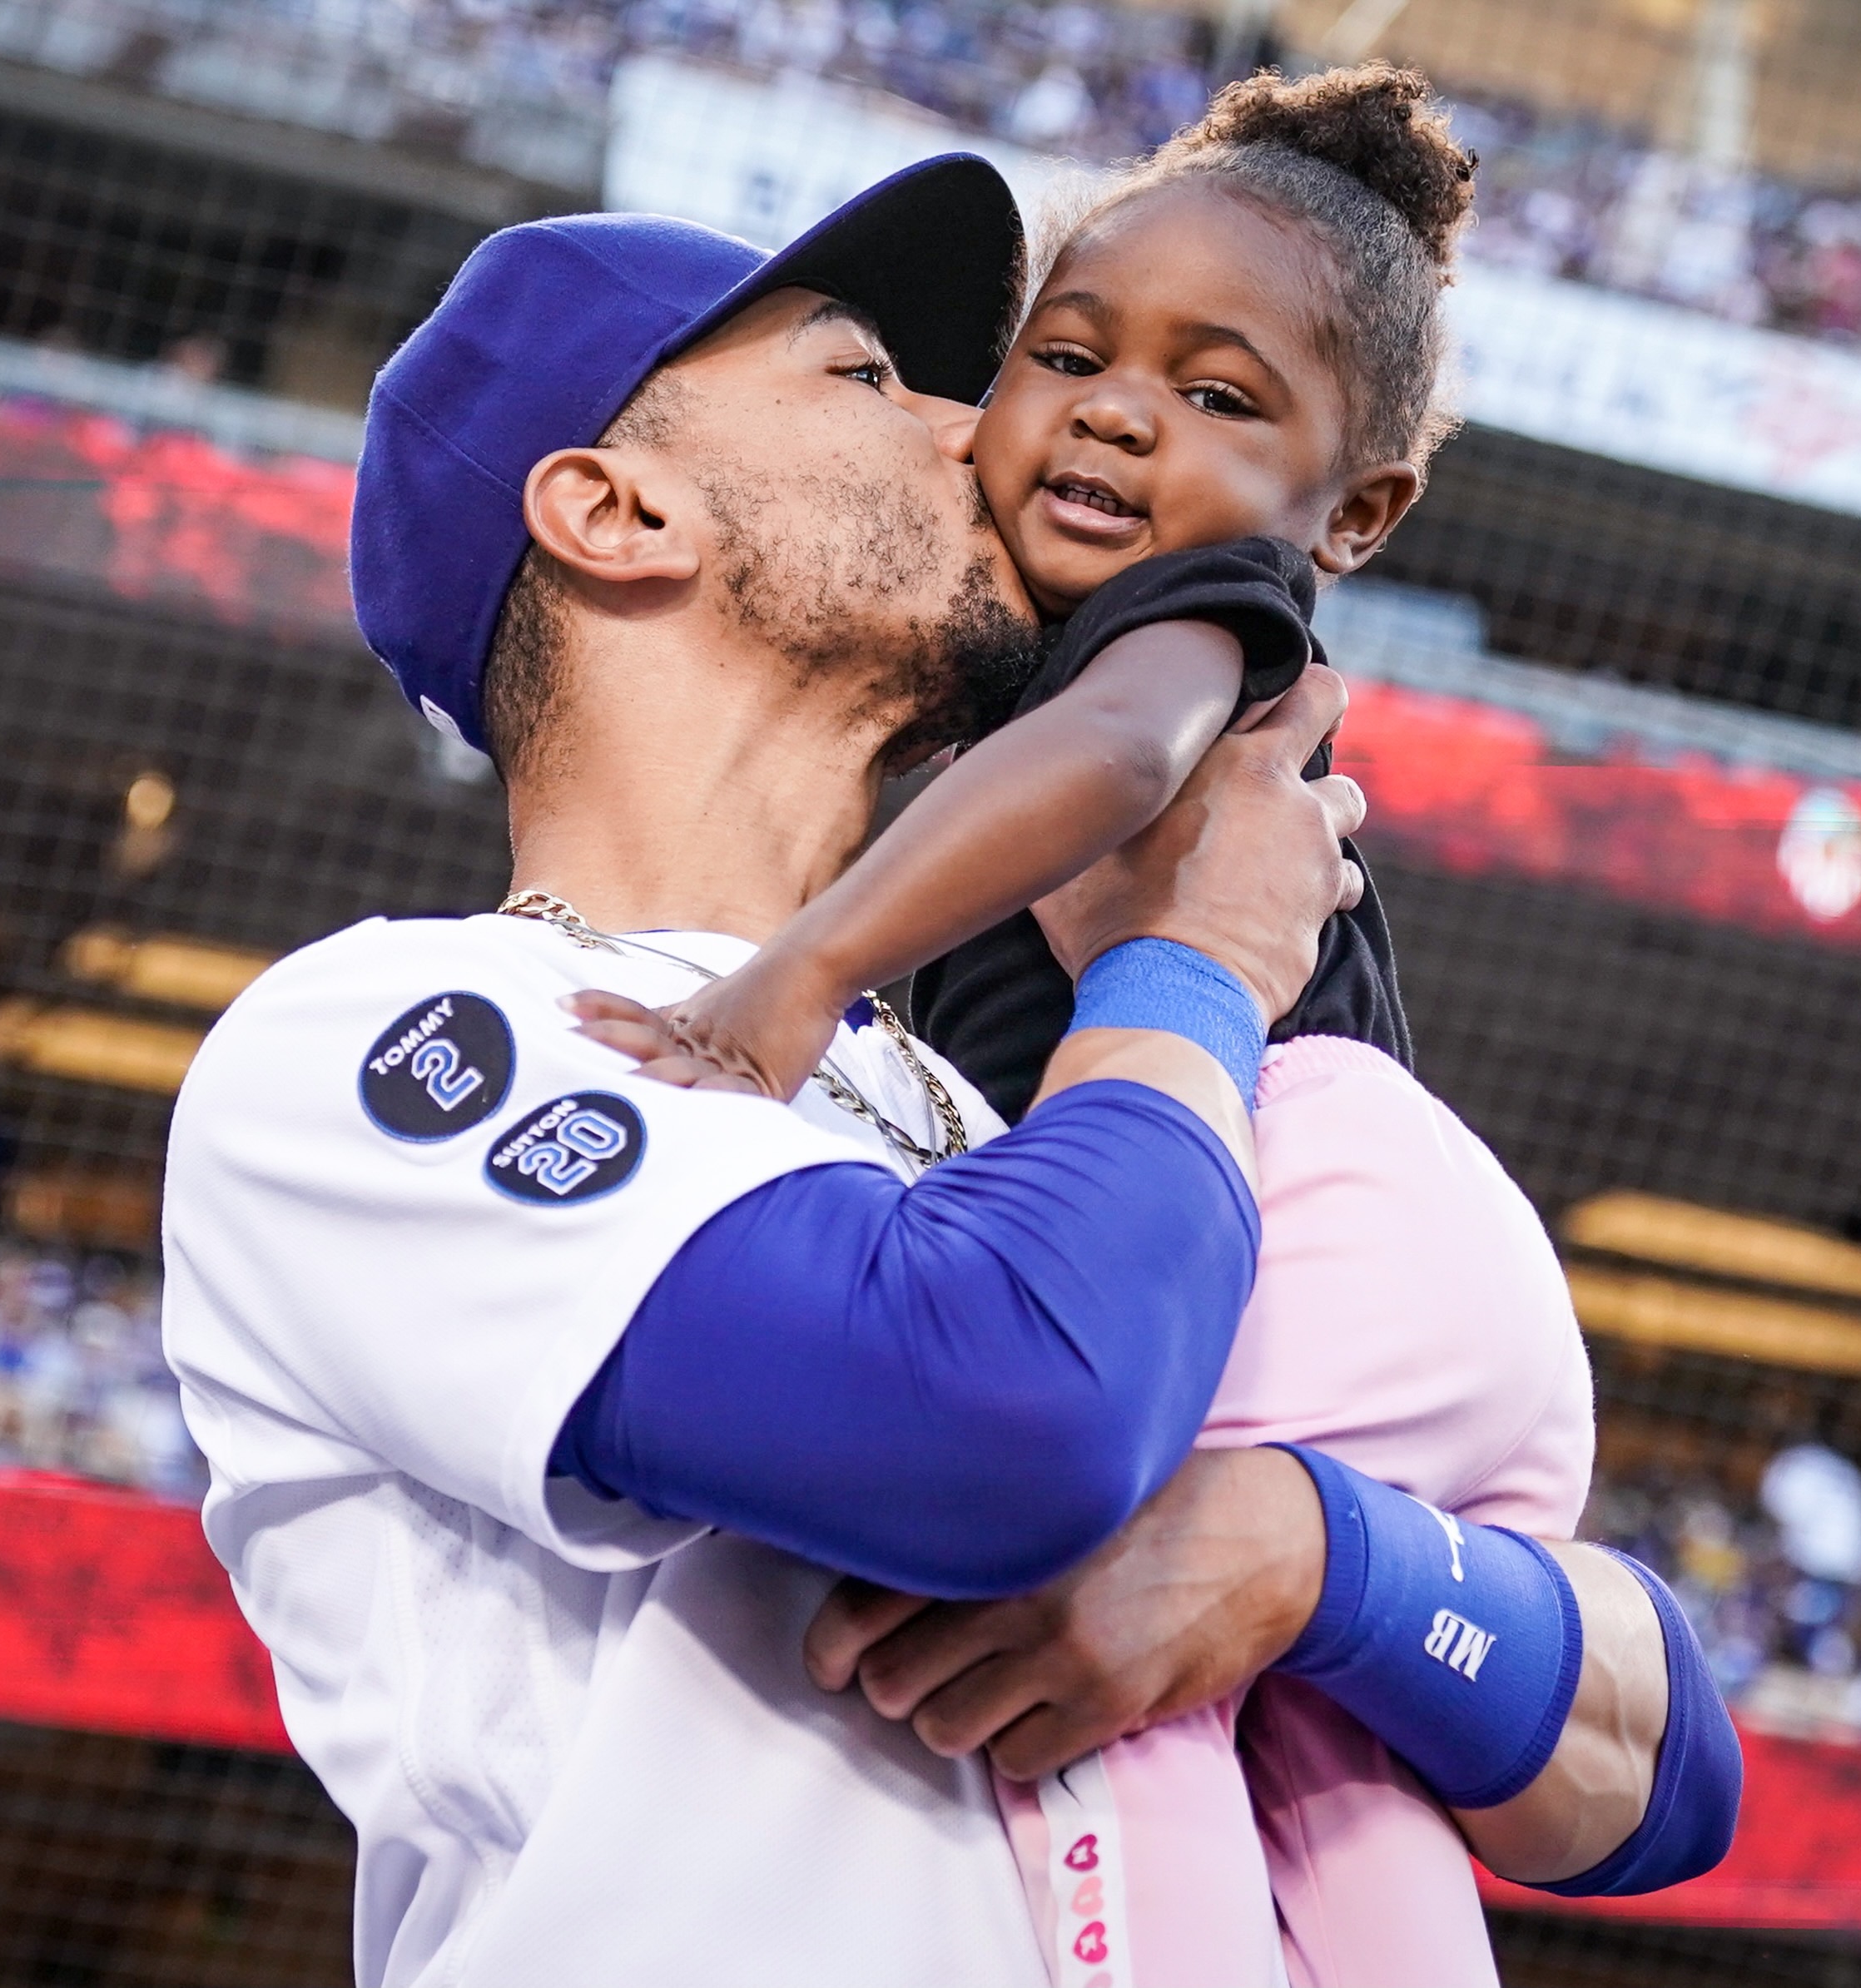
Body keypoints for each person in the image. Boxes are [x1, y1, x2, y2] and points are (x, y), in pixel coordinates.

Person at [165, 156, 1721, 1988]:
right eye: (857, 378)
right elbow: (996, 1419)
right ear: (613, 506)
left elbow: (1672, 1765)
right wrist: (1200, 959)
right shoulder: (390, 1037)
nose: (975, 421)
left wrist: (1319, 1563)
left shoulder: (1033, 1118)